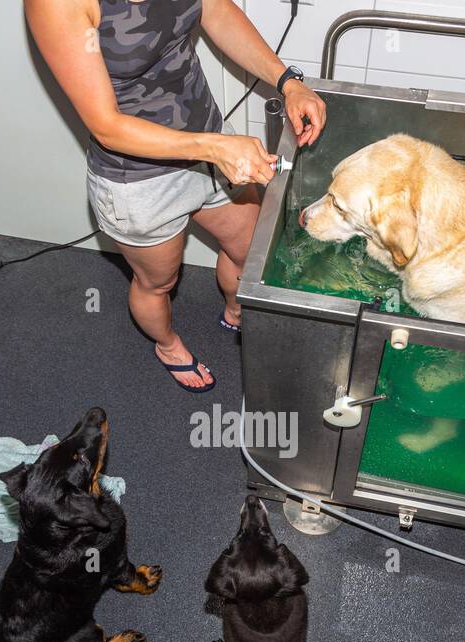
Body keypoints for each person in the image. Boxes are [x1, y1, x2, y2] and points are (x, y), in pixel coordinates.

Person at [25, 0, 326, 391]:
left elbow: (214, 11)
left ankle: (236, 308)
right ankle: (167, 345)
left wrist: (288, 81)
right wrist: (214, 149)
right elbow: (106, 126)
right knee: (158, 282)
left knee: (251, 251)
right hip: (138, 177)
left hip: (207, 134)